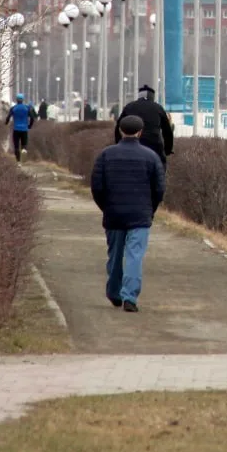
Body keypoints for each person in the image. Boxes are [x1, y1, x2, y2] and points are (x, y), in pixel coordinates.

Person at [91, 114, 166, 312]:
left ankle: (114, 292)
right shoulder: (151, 156)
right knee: (134, 256)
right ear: (140, 132)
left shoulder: (106, 155)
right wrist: (150, 209)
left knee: (115, 255)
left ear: (120, 130)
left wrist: (106, 207)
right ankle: (130, 297)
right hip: (140, 215)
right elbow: (159, 188)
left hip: (114, 213)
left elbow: (97, 187)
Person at [114, 84, 174, 168]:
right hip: (154, 146)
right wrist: (167, 150)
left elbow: (118, 127)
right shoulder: (158, 108)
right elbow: (167, 131)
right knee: (158, 167)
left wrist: (119, 144)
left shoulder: (129, 106)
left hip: (132, 145)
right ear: (152, 96)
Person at [4, 93, 37, 162]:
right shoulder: (27, 108)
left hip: (16, 129)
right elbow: (32, 118)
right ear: (23, 100)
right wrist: (30, 126)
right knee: (24, 144)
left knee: (16, 146)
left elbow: (8, 117)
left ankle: (18, 161)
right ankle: (24, 150)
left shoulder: (13, 108)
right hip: (24, 129)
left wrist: (6, 123)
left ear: (16, 100)